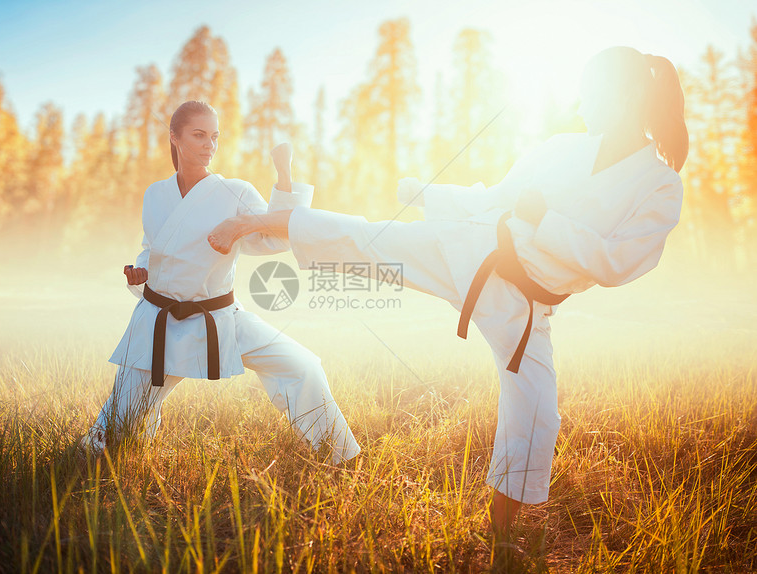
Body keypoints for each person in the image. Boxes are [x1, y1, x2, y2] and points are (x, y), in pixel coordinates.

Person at [205, 47, 688, 535]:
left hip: (527, 303)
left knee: (537, 412)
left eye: (591, 93)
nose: (581, 105)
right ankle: (254, 222)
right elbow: (496, 196)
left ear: (625, 95)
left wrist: (546, 221)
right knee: (367, 241)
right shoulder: (562, 147)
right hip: (473, 246)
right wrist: (430, 196)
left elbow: (616, 262)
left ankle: (500, 538)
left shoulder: (660, 185)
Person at [81, 100, 361, 465]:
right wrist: (140, 271)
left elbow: (276, 237)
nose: (209, 144)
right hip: (158, 321)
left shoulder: (236, 192)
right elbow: (152, 248)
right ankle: (112, 455)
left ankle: (340, 456)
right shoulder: (155, 194)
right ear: (174, 138)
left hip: (219, 318)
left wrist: (283, 172)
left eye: (214, 137)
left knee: (302, 365)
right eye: (199, 135)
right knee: (114, 432)